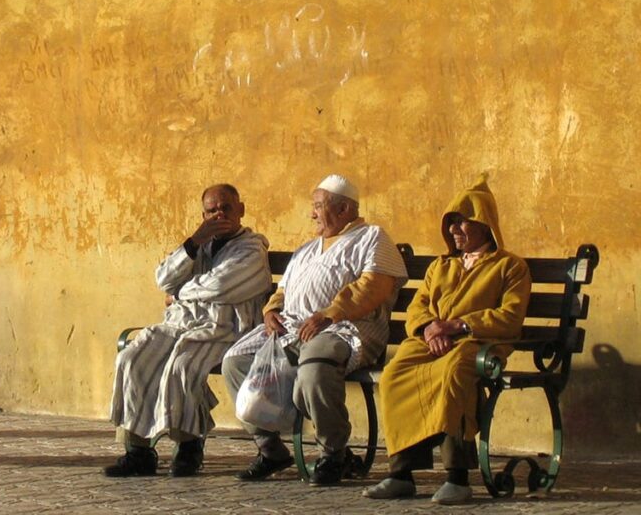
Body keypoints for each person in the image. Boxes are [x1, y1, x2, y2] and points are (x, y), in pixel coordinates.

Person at [222, 174, 408, 486]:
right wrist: (271, 312)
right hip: (293, 328)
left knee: (314, 369)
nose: (312, 213)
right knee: (235, 363)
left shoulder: (372, 237)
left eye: (318, 206)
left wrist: (331, 314)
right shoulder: (307, 249)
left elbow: (373, 287)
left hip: (347, 328)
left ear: (344, 209)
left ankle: (333, 452)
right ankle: (270, 449)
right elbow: (283, 291)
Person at [363, 176, 532, 505]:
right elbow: (418, 307)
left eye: (462, 222)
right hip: (430, 342)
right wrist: (428, 328)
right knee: (395, 374)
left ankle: (457, 476)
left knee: (454, 374)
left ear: (484, 225)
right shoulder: (439, 266)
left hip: (475, 343)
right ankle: (401, 473)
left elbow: (509, 316)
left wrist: (457, 326)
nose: (454, 230)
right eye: (450, 223)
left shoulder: (509, 267)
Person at [105, 184, 272, 478]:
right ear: (203, 215)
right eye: (212, 211)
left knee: (182, 366)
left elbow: (221, 286)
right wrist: (193, 243)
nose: (219, 214)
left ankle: (188, 447)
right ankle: (138, 451)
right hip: (179, 324)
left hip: (222, 329)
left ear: (241, 210)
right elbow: (163, 278)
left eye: (226, 208)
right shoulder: (199, 246)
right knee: (132, 358)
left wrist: (178, 294)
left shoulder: (251, 249)